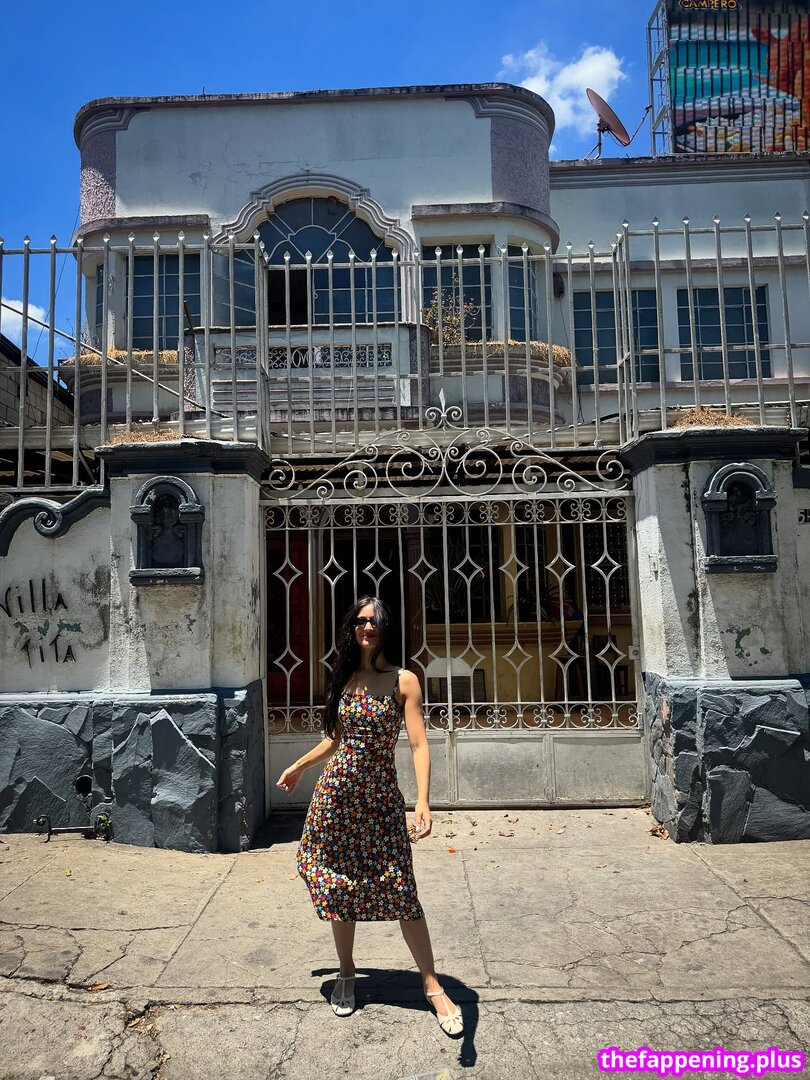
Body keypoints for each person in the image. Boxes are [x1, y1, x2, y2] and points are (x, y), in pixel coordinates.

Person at [276, 595, 463, 1037]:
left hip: (379, 802)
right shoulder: (345, 678)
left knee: (401, 888)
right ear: (352, 628)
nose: (367, 627)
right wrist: (298, 766)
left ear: (386, 628)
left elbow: (418, 744)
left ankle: (432, 985)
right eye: (361, 621)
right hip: (336, 798)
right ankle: (346, 971)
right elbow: (335, 740)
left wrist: (423, 801)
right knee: (340, 884)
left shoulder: (404, 680)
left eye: (375, 621)